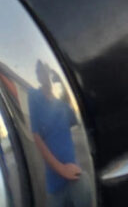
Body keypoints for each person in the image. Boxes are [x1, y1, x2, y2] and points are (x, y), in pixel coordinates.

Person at [28, 61, 90, 207]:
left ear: (49, 73)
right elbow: (36, 136)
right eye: (39, 72)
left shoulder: (61, 105)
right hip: (55, 183)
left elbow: (77, 117)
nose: (42, 75)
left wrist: (61, 81)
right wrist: (61, 169)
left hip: (75, 175)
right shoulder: (34, 96)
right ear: (37, 76)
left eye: (44, 71)